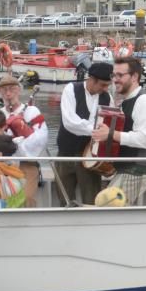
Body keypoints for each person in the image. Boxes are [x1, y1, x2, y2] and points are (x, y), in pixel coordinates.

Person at [90, 56, 146, 206]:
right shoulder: (126, 102)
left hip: (136, 169)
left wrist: (110, 134)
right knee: (106, 207)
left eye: (120, 75)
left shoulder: (144, 101)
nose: (115, 80)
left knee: (106, 207)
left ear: (134, 77)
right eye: (114, 75)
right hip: (127, 168)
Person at [56, 61, 112, 205]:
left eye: (108, 85)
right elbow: (70, 122)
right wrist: (96, 129)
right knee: (65, 201)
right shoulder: (71, 89)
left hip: (90, 158)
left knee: (92, 200)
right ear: (91, 80)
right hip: (65, 154)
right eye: (103, 85)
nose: (106, 89)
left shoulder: (107, 98)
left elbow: (108, 125)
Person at [0, 74, 48, 207]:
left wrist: (22, 131)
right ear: (0, 93)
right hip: (3, 166)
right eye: (4, 90)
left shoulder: (32, 112)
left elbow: (41, 140)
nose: (8, 94)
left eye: (12, 89)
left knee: (24, 201)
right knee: (1, 201)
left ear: (19, 90)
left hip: (27, 164)